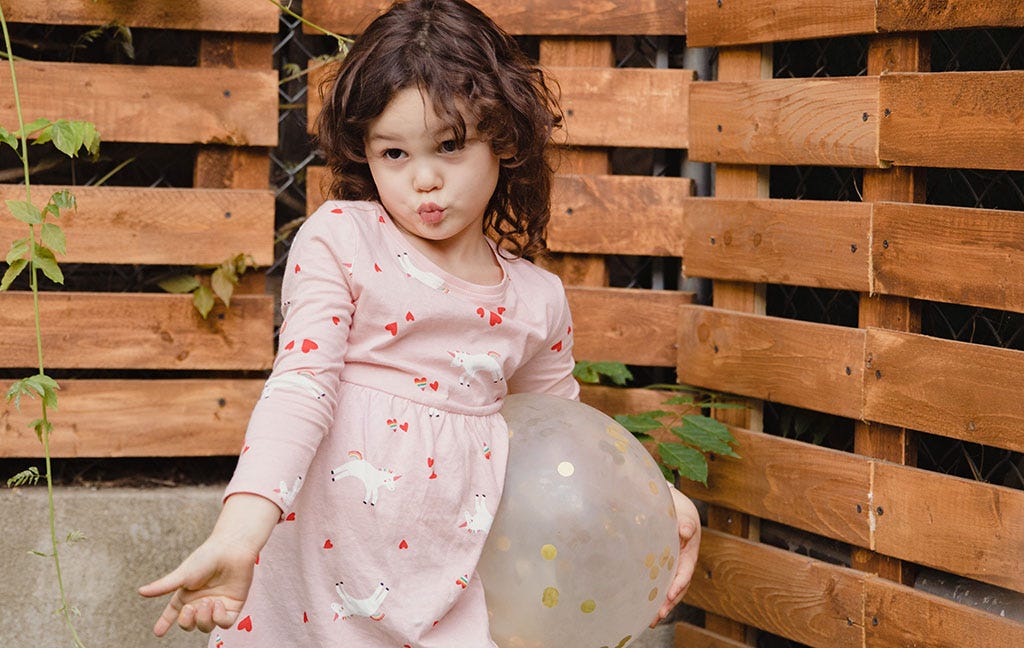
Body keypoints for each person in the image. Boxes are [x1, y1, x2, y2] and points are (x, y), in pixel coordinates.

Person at [138, 0, 701, 645]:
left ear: (506, 139)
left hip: (451, 583)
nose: (424, 180)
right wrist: (240, 531)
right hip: (318, 584)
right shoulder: (343, 240)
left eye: (451, 146)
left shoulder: (536, 298)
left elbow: (564, 444)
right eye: (395, 153)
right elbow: (300, 385)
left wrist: (654, 504)